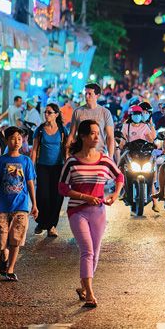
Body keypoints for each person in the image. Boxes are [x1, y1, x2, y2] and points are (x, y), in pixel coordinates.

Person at [59, 120, 124, 308]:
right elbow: (62, 187)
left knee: (95, 252)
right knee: (87, 250)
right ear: (83, 136)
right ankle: (90, 294)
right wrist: (84, 197)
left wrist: (115, 193)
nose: (97, 137)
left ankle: (84, 286)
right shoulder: (72, 161)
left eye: (98, 133)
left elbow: (119, 176)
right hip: (77, 211)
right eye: (93, 133)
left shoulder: (104, 159)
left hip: (99, 211)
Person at [0, 126, 38, 282]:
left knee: (16, 239)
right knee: (2, 240)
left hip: (21, 206)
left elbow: (30, 183)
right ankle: (4, 254)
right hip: (2, 206)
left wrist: (34, 204)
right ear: (6, 140)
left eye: (19, 138)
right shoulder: (0, 161)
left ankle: (10, 269)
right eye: (13, 138)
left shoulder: (26, 161)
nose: (16, 141)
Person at [30, 103, 69, 238]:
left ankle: (52, 226)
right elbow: (34, 150)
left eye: (49, 112)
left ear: (56, 115)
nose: (46, 115)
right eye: (45, 112)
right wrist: (31, 168)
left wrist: (68, 166)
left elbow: (66, 150)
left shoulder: (63, 131)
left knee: (57, 197)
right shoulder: (40, 130)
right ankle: (41, 222)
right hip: (43, 167)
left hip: (58, 167)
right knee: (43, 196)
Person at [67, 84, 115, 156]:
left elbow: (110, 137)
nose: (87, 96)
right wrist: (67, 154)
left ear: (97, 96)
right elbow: (72, 135)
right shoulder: (77, 112)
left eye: (90, 94)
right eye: (86, 93)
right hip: (81, 154)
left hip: (100, 154)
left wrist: (110, 157)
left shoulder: (105, 113)